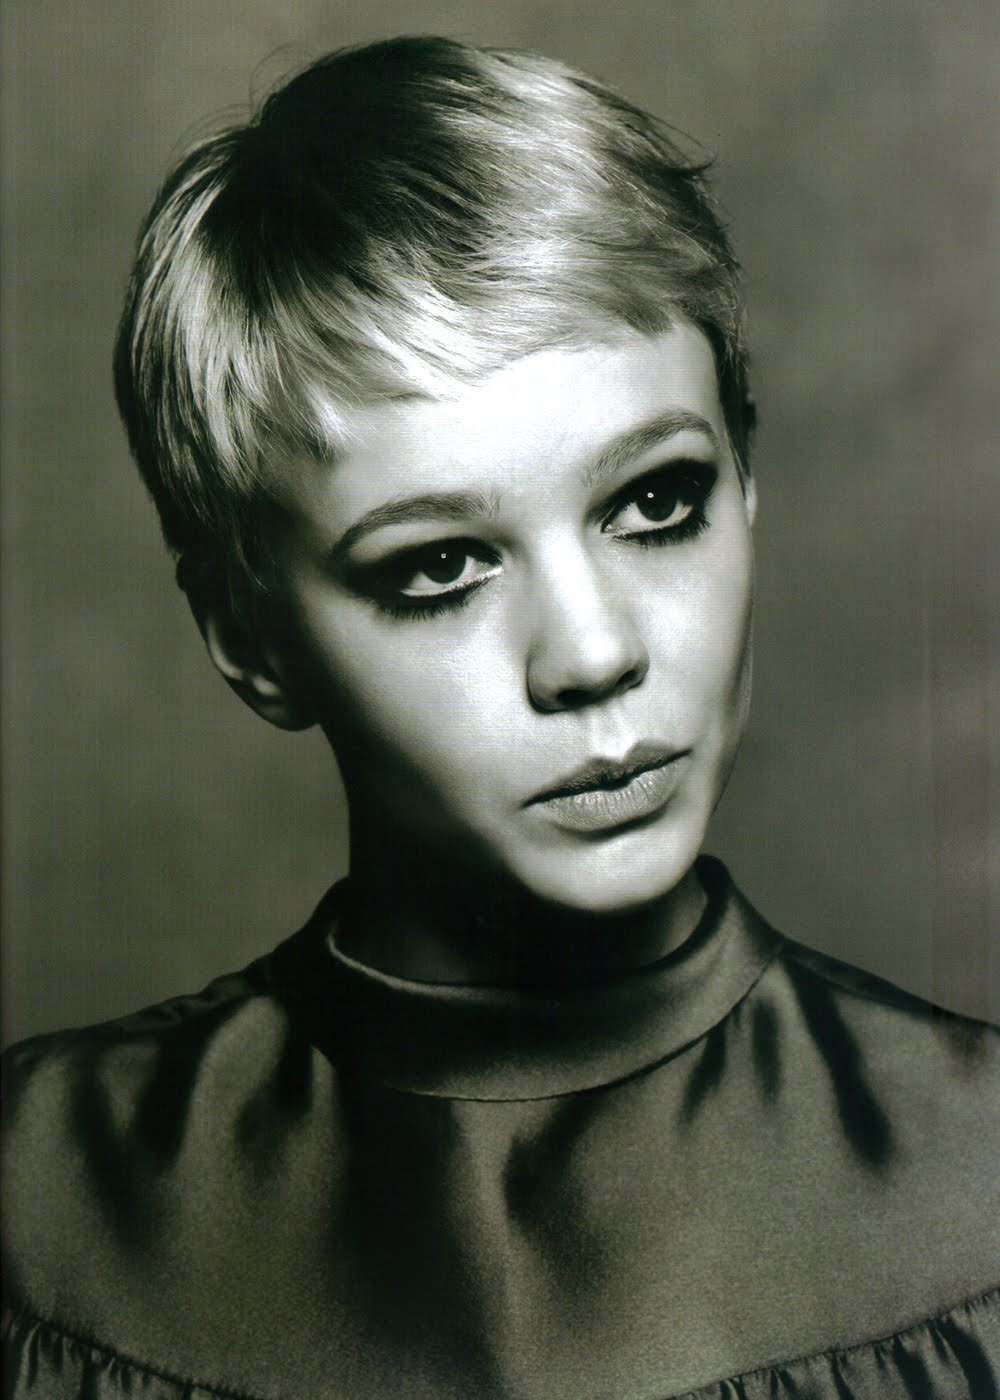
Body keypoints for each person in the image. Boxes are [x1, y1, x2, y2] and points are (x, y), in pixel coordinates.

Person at [3, 35, 998, 1400]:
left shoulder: (981, 1186)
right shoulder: (41, 1216)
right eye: (440, 568)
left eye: (655, 502)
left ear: (746, 484)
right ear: (246, 636)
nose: (594, 654)